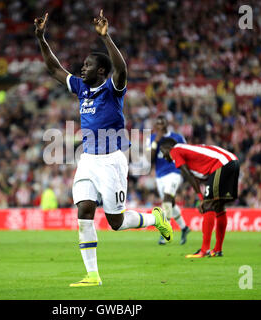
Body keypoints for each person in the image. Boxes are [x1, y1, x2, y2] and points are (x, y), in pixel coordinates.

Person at [34, 10, 173, 287]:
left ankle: (153, 216)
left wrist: (106, 36)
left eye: (86, 66)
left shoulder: (112, 89)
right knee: (84, 211)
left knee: (116, 222)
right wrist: (41, 37)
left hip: (112, 160)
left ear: (100, 71)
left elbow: (121, 69)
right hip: (87, 160)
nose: (81, 68)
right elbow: (53, 69)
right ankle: (92, 275)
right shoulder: (82, 89)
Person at [159, 137, 240, 258]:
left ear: (168, 147)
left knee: (208, 205)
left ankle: (204, 250)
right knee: (219, 206)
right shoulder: (188, 151)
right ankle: (217, 250)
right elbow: (197, 175)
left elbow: (188, 175)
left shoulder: (175, 150)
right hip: (232, 161)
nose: (164, 156)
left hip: (222, 164)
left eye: (163, 152)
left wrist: (201, 198)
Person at [148, 115, 190, 245]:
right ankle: (184, 228)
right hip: (160, 175)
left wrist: (186, 172)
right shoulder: (152, 139)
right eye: (158, 124)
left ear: (166, 125)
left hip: (174, 172)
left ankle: (165, 231)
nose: (160, 126)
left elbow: (187, 153)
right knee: (170, 203)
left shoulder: (177, 138)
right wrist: (157, 141)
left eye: (162, 123)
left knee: (166, 198)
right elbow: (150, 159)